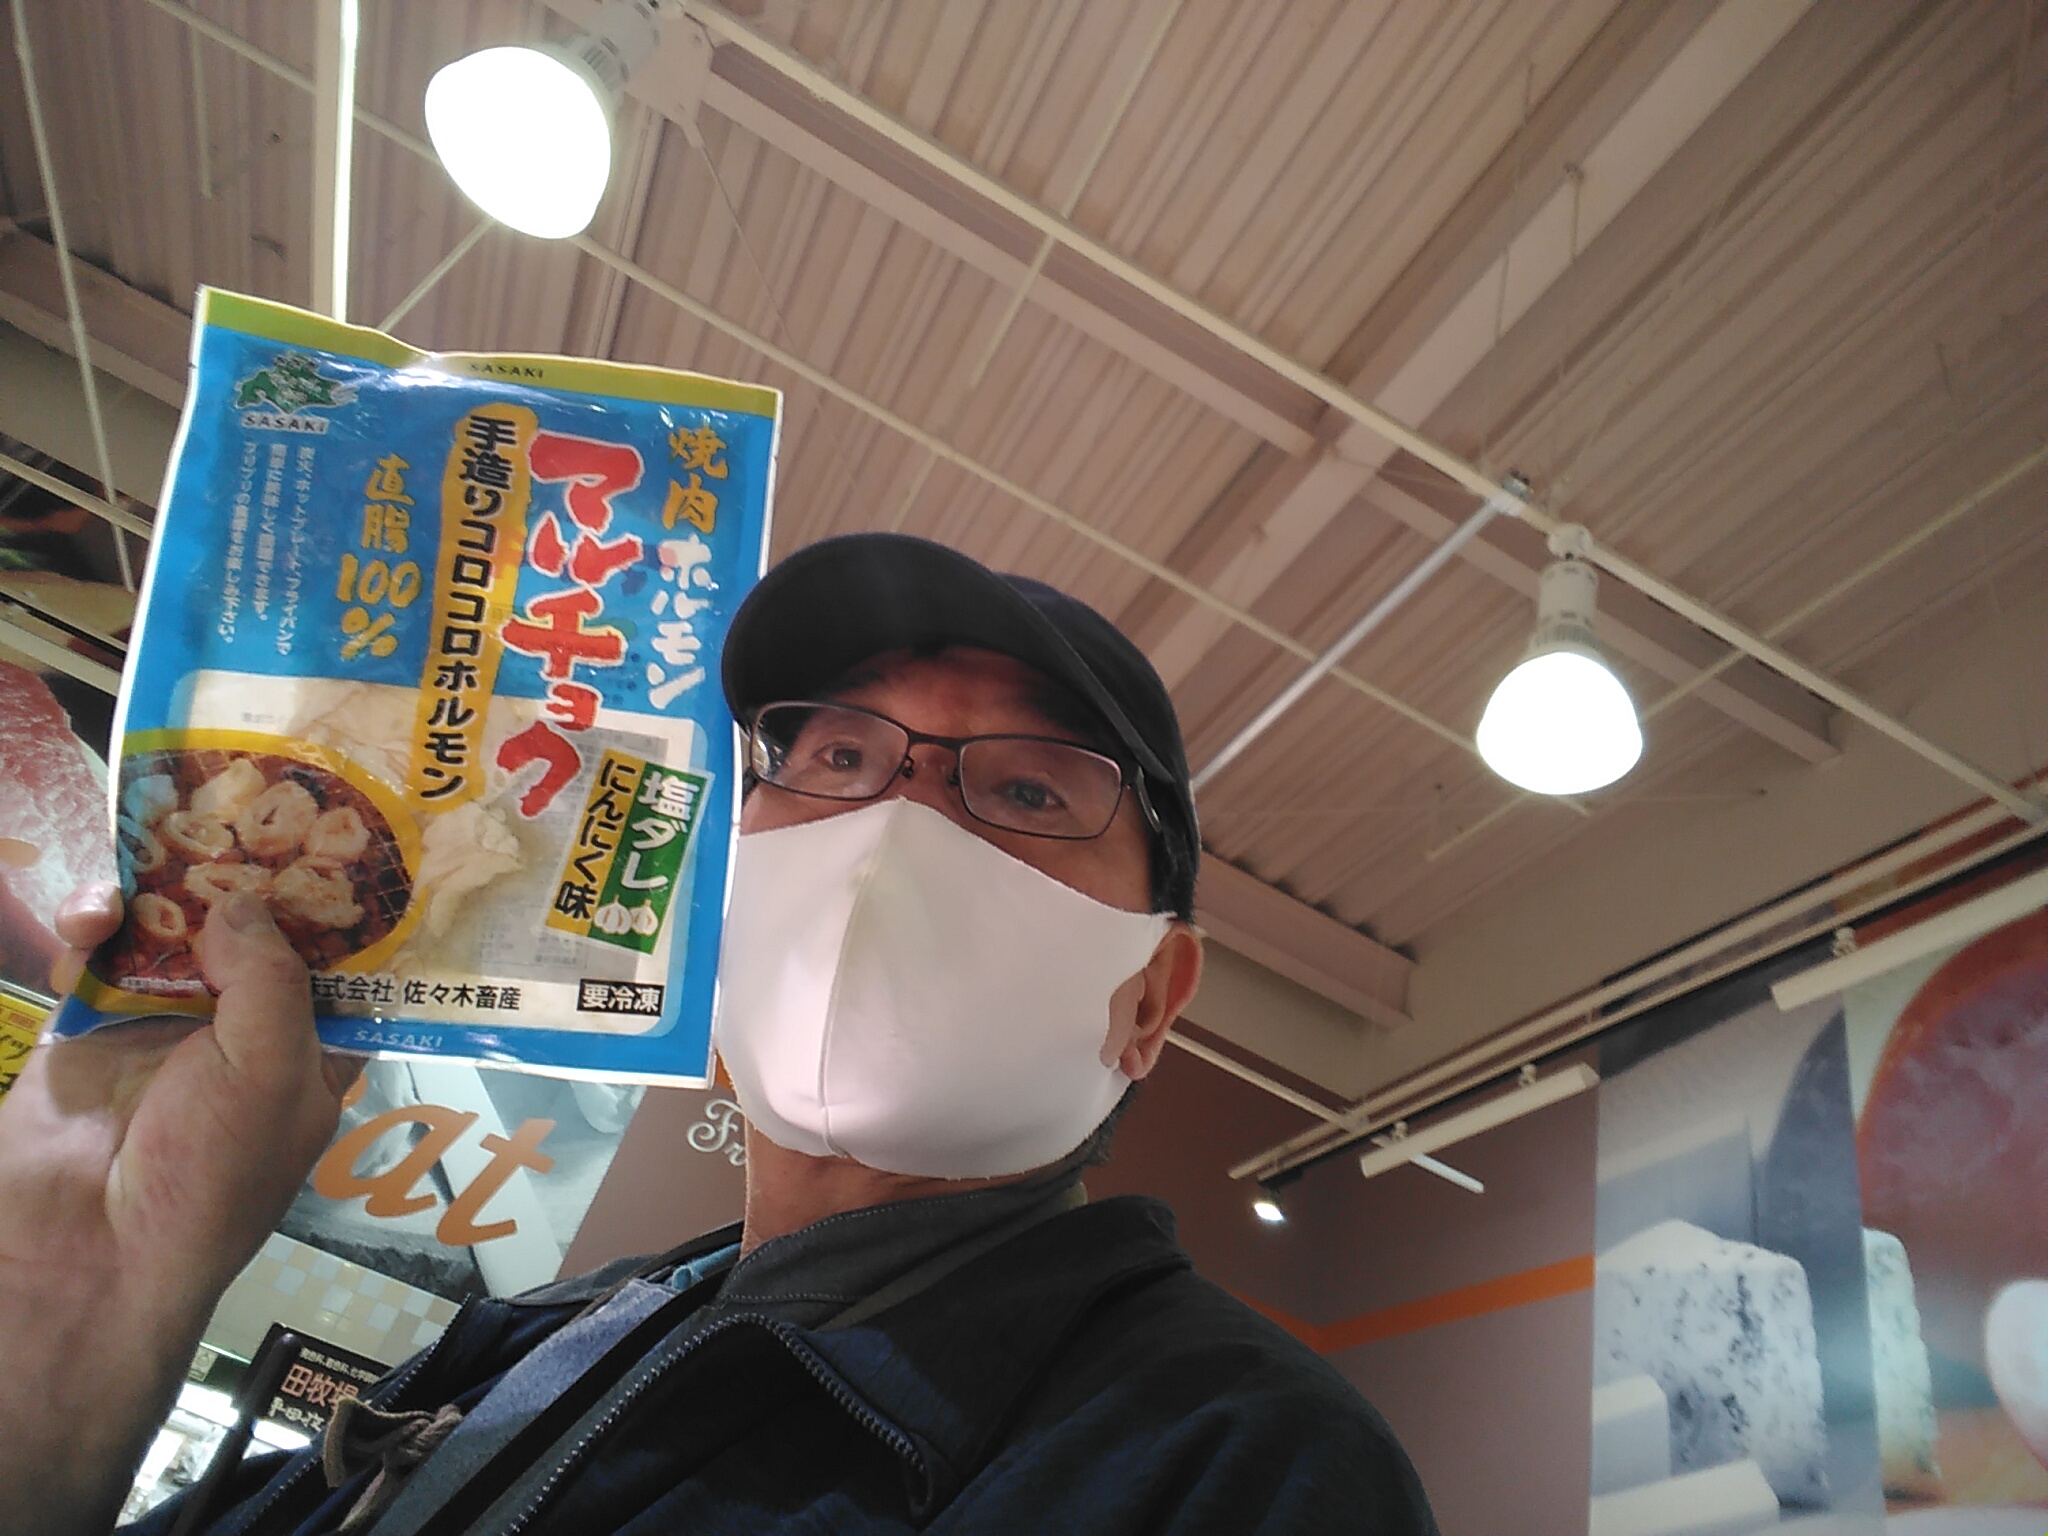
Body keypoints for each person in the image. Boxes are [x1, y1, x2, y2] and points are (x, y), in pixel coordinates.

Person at [0, 533, 1436, 1535]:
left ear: (1154, 996)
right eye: (837, 755)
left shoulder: (1234, 1464)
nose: (890, 831)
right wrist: (97, 1285)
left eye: (1026, 790)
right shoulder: (548, 1335)